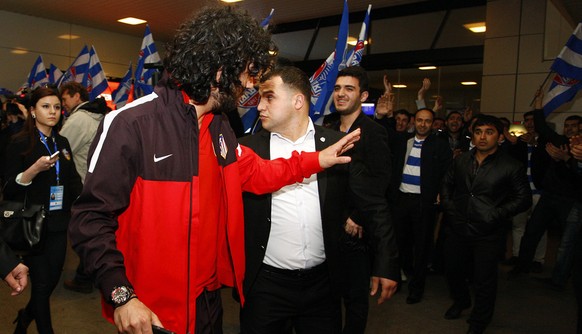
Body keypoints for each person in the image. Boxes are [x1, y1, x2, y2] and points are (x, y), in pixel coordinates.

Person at [68, 7, 360, 334]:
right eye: (247, 73)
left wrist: (316, 160)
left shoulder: (219, 127)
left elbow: (257, 174)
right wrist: (121, 295)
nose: (250, 85)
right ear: (221, 69)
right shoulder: (132, 124)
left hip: (208, 301)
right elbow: (89, 218)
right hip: (153, 312)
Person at [238, 66, 396, 334]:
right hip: (265, 286)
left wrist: (387, 262)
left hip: (323, 286)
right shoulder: (248, 149)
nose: (259, 105)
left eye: (269, 97)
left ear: (298, 101)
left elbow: (373, 204)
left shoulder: (335, 144)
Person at [441, 115, 531, 334]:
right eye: (478, 131)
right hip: (458, 226)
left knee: (484, 279)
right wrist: (450, 208)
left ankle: (479, 320)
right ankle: (461, 301)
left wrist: (496, 214)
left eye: (489, 132)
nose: (482, 137)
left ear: (500, 137)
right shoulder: (461, 160)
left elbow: (523, 199)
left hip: (488, 232)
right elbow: (446, 184)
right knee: (452, 269)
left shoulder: (511, 165)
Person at [3, 87, 82, 333]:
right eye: (46, 106)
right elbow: (8, 189)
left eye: (57, 107)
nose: (53, 112)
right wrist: (33, 171)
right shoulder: (19, 143)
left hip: (59, 224)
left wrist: (86, 200)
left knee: (49, 283)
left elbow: (72, 182)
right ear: (34, 111)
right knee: (40, 285)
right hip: (31, 225)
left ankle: (25, 317)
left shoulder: (62, 142)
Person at [328, 65, 399, 333]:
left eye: (349, 89)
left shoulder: (373, 131)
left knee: (355, 299)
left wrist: (356, 216)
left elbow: (381, 181)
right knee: (329, 296)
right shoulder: (329, 129)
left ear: (363, 96)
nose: (341, 94)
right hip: (330, 226)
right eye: (337, 88)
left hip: (356, 229)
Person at [390, 108, 452, 304]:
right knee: (399, 243)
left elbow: (447, 173)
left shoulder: (440, 145)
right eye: (419, 120)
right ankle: (397, 280)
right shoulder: (403, 141)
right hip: (401, 200)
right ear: (413, 122)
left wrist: (442, 194)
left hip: (424, 203)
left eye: (427, 121)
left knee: (422, 246)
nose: (423, 124)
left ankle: (417, 288)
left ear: (432, 124)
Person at [59, 82, 108, 294]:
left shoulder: (79, 119)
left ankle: (85, 276)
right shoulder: (98, 116)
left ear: (76, 96)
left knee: (82, 233)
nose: (62, 105)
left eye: (64, 99)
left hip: (80, 184)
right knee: (91, 231)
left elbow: (61, 149)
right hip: (96, 183)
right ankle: (89, 274)